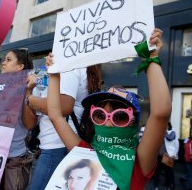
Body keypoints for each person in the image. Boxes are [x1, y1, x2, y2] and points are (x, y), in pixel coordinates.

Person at [47, 28, 171, 190]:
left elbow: (160, 113)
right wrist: (54, 73)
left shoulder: (139, 160)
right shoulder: (84, 152)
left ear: (133, 121)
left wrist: (151, 59)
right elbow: (55, 115)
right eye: (100, 115)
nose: (108, 123)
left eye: (120, 117)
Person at [24, 62, 101, 190]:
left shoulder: (69, 66)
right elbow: (30, 123)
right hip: (53, 145)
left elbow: (63, 107)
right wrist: (30, 92)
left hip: (57, 146)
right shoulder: (71, 68)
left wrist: (29, 98)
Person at [0, 48, 35, 190]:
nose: (3, 63)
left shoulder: (29, 87)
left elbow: (30, 124)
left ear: (20, 67)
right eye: (4, 59)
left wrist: (28, 91)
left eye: (8, 60)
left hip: (13, 159)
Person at [153, 122, 179, 190]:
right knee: (157, 171)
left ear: (168, 125)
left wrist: (164, 132)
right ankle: (156, 186)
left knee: (169, 172)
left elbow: (170, 138)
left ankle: (170, 186)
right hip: (159, 155)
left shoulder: (172, 132)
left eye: (165, 125)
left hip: (168, 155)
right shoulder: (160, 132)